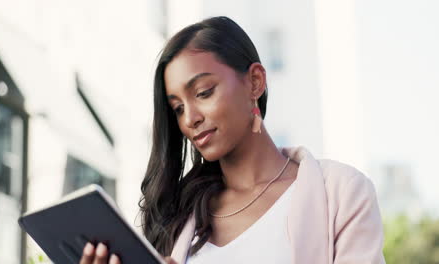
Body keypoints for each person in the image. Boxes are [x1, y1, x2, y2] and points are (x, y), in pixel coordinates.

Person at [79, 16, 385, 264]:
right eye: (178, 108)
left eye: (203, 93)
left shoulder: (342, 192)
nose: (190, 119)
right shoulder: (178, 216)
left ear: (255, 82)